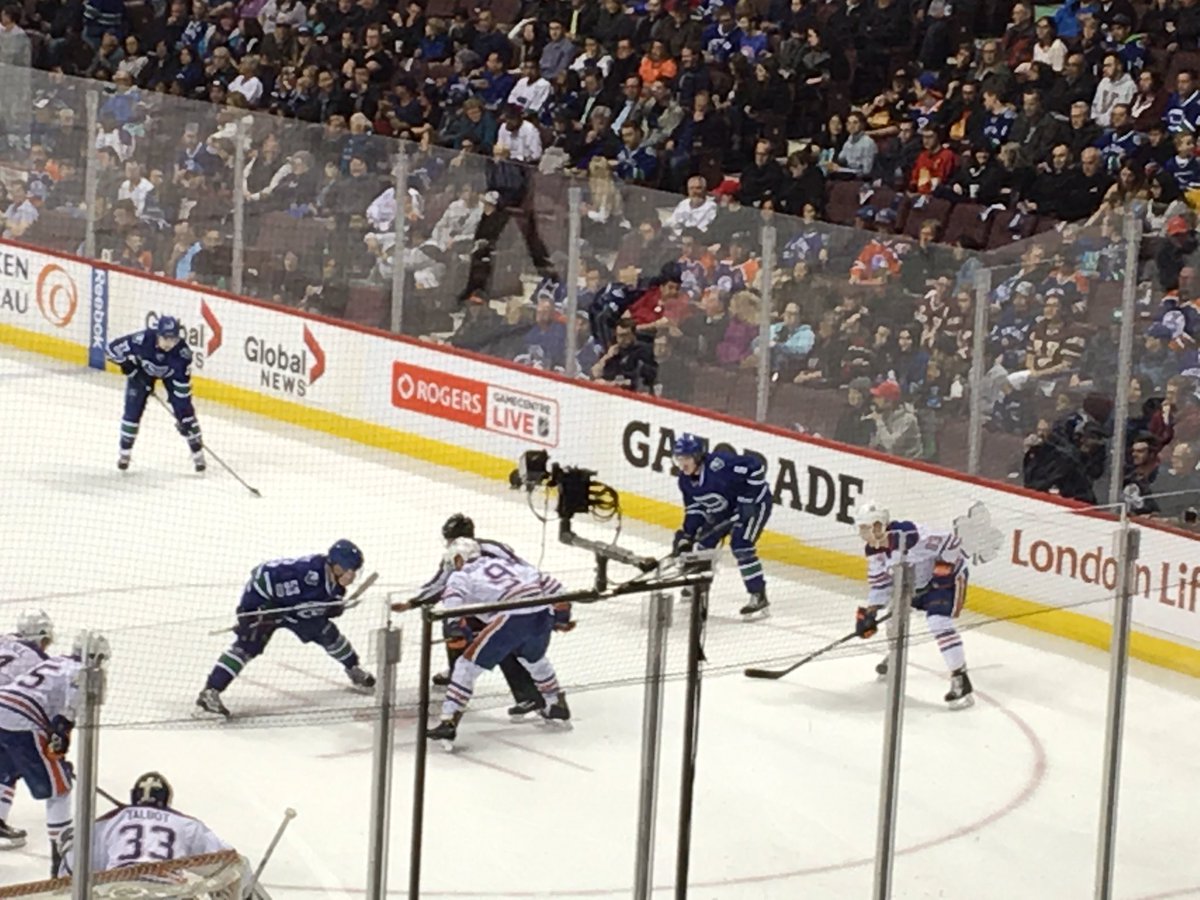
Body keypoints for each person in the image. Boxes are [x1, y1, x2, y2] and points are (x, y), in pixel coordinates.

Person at [196, 541, 375, 718]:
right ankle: (209, 693)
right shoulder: (305, 574)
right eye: (349, 570)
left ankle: (353, 669)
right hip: (264, 599)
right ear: (336, 567)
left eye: (355, 571)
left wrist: (331, 609)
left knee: (328, 634)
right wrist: (256, 614)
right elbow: (264, 578)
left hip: (292, 608)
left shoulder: (336, 585)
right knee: (248, 644)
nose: (352, 576)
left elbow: (312, 605)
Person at [395, 514, 545, 717]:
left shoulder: (467, 553)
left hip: (503, 609)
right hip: (491, 608)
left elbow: (441, 585)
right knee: (455, 627)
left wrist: (412, 602)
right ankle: (457, 673)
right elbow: (523, 568)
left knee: (499, 642)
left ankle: (528, 696)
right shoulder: (486, 548)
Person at [426, 538, 571, 746]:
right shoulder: (509, 564)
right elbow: (553, 586)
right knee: (534, 660)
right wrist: (561, 616)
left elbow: (453, 599)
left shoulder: (461, 575)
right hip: (541, 614)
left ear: (459, 558)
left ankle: (448, 721)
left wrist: (454, 626)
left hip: (511, 618)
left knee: (465, 665)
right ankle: (556, 703)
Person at [0, 632, 111, 875]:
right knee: (60, 791)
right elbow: (64, 720)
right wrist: (58, 753)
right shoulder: (82, 672)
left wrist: (56, 755)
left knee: (6, 770)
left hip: (3, 707)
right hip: (22, 720)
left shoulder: (54, 661)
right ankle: (60, 860)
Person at [852, 501, 973, 708]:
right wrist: (870, 613)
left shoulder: (911, 537)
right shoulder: (874, 552)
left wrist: (941, 575)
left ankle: (960, 680)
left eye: (866, 528)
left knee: (938, 623)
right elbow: (881, 585)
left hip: (945, 581)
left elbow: (952, 542)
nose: (863, 534)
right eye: (860, 528)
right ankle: (895, 658)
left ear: (880, 526)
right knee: (894, 622)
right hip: (913, 584)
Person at [55, 772, 241, 880]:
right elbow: (229, 860)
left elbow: (71, 866)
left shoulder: (109, 822)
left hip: (117, 889)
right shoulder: (186, 824)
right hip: (166, 892)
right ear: (167, 800)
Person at [671, 433, 772, 618]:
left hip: (755, 505)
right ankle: (695, 585)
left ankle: (758, 596)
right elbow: (694, 509)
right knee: (703, 545)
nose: (681, 463)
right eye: (678, 458)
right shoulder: (685, 480)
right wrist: (688, 534)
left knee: (742, 546)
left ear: (697, 456)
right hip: (725, 510)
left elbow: (755, 466)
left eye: (685, 458)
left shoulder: (719, 465)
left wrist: (747, 500)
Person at [106, 316, 205, 474]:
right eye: (166, 338)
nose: (169, 343)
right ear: (157, 335)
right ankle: (124, 454)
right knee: (133, 410)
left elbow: (182, 389)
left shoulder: (182, 355)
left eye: (173, 339)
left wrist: (184, 418)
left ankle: (198, 452)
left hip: (171, 377)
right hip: (142, 374)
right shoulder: (142, 340)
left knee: (185, 412)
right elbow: (111, 349)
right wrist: (128, 366)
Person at [0, 610, 54, 849]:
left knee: (6, 763)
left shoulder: (3, 639)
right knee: (10, 764)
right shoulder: (39, 661)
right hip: (5, 714)